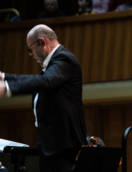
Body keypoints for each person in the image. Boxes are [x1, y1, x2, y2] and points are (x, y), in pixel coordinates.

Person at [0, 24, 87, 172]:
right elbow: (39, 80)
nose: (31, 54)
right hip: (51, 144)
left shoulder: (64, 59)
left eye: (30, 49)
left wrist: (7, 87)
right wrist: (4, 76)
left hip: (63, 145)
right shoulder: (55, 64)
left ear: (42, 42)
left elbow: (45, 81)